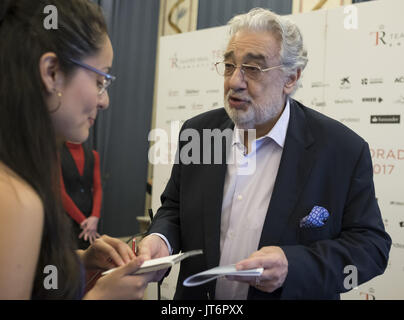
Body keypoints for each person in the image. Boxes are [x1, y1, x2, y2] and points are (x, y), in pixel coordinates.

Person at [138, 8, 392, 299]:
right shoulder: (198, 133)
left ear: (291, 78)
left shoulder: (341, 150)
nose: (234, 81)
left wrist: (293, 266)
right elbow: (174, 209)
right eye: (230, 65)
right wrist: (161, 239)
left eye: (253, 68)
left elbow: (371, 247)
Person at [0, 0, 153, 299]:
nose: (104, 100)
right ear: (52, 72)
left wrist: (76, 261)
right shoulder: (15, 198)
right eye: (100, 80)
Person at [61, 141, 102, 249]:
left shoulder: (93, 155)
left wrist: (95, 216)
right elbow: (59, 191)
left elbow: (98, 188)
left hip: (91, 222)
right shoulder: (55, 153)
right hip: (67, 219)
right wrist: (83, 222)